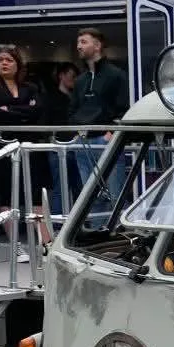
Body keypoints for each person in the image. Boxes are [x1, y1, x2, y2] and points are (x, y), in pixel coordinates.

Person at [0, 45, 46, 262]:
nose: (4, 63)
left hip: (28, 145)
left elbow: (38, 110)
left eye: (9, 60)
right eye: (0, 60)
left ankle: (46, 245)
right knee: (8, 195)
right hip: (2, 146)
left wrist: (9, 110)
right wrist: (23, 110)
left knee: (35, 194)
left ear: (18, 64)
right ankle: (16, 246)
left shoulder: (30, 86)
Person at [69, 28, 129, 222]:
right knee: (90, 198)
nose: (79, 46)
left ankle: (118, 241)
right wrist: (77, 132)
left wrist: (111, 132)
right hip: (83, 142)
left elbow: (124, 107)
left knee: (115, 195)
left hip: (106, 141)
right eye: (78, 42)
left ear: (98, 45)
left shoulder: (116, 75)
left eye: (84, 42)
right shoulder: (80, 80)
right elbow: (72, 110)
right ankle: (97, 240)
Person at [44, 61, 80, 215]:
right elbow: (45, 123)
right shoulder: (50, 99)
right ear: (61, 76)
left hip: (77, 146)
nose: (75, 80)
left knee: (81, 187)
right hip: (58, 147)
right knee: (60, 189)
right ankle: (59, 228)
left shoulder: (77, 98)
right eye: (72, 76)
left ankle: (81, 225)